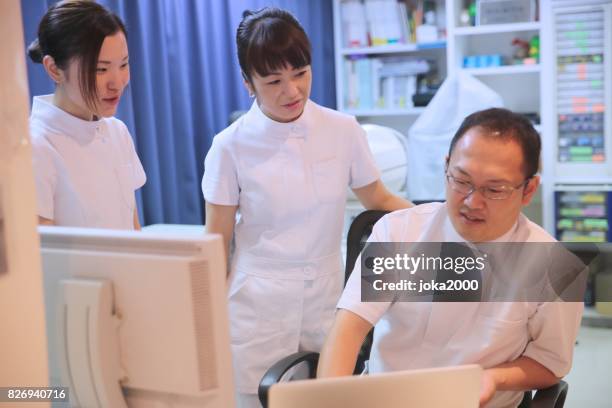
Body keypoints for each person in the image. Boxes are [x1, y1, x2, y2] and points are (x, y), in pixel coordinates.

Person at [202, 7, 412, 407]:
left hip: (325, 297)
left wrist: (442, 224)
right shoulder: (229, 147)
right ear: (249, 83)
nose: (292, 91)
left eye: (300, 73)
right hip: (255, 304)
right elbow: (216, 242)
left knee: (326, 399)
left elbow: (380, 199)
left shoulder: (342, 130)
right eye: (274, 81)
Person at [317, 108, 584, 408]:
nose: (472, 202)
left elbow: (550, 363)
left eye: (494, 189)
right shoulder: (400, 231)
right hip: (385, 398)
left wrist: (494, 378)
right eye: (461, 180)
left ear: (528, 190)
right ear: (446, 166)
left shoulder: (555, 266)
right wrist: (329, 399)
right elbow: (350, 326)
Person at [28, 0, 145, 229]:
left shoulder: (117, 132)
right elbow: (41, 255)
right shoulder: (35, 147)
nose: (117, 83)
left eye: (123, 64)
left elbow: (133, 232)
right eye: (100, 69)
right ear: (54, 69)